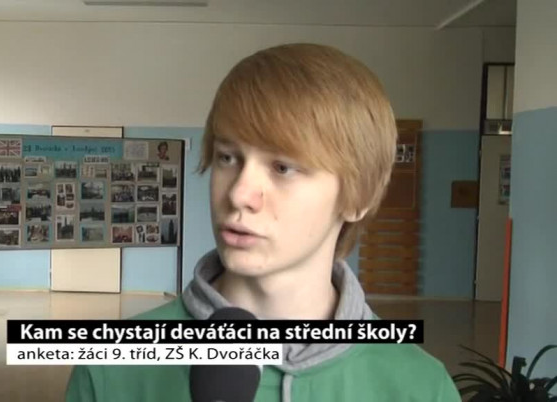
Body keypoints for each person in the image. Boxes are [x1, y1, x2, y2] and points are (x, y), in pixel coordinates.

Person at [66, 43, 460, 401]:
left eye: (282, 167)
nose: (239, 193)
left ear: (358, 198)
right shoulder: (112, 370)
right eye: (227, 158)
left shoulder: (421, 387)